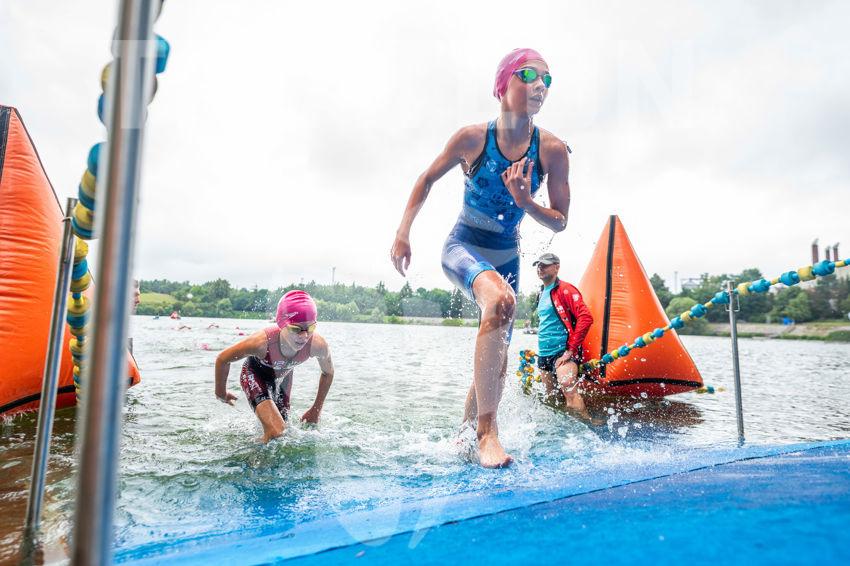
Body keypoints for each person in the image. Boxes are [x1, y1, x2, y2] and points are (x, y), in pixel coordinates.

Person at [390, 48, 571, 467]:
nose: (540, 85)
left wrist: (526, 202)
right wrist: (403, 232)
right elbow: (426, 179)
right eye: (528, 75)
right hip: (464, 247)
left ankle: (466, 433)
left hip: (506, 257)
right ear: (502, 84)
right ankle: (489, 434)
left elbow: (561, 220)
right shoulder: (472, 139)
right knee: (501, 301)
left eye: (547, 78)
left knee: (499, 348)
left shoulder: (552, 150)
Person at [214, 290, 334, 442]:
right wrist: (221, 393)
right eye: (296, 329)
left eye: (310, 328)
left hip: (283, 378)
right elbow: (223, 359)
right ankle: (250, 452)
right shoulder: (261, 343)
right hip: (255, 375)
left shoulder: (318, 345)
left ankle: (261, 443)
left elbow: (328, 373)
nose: (304, 336)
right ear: (281, 324)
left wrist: (316, 410)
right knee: (277, 431)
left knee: (285, 432)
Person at [533, 252, 594, 421]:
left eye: (545, 265)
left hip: (563, 352)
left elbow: (586, 318)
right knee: (551, 398)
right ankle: (562, 428)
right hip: (544, 354)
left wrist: (570, 351)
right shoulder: (541, 293)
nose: (540, 268)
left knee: (568, 387)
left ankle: (587, 423)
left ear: (557, 267)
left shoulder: (565, 289)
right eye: (538, 265)